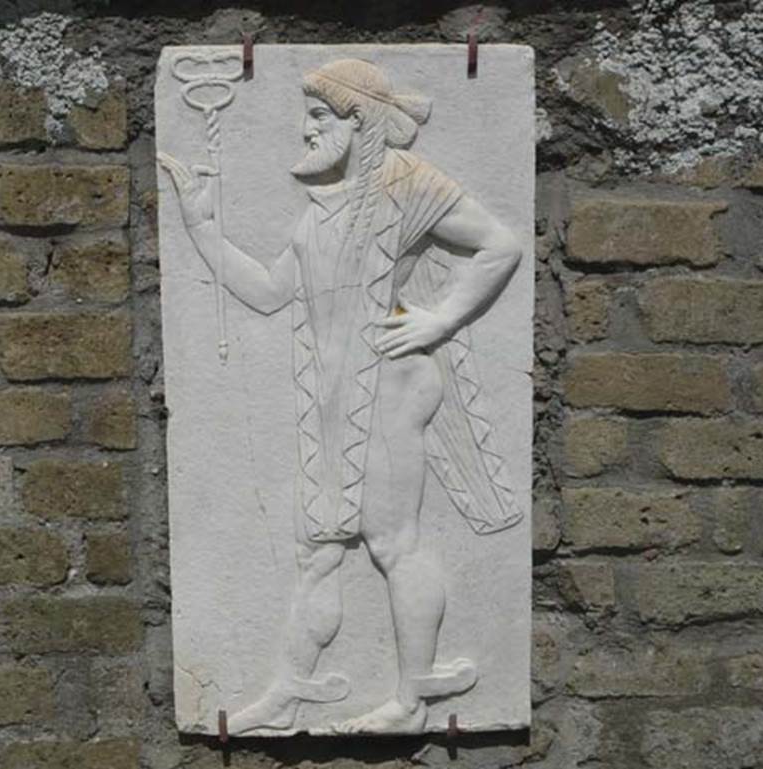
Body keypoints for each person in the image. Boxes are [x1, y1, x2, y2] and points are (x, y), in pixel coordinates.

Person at [160, 58, 522, 735]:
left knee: (393, 542)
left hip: (387, 388)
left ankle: (413, 698)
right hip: (333, 399)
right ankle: (291, 690)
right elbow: (269, 292)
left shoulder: (406, 182)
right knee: (320, 548)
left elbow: (500, 243)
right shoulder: (319, 214)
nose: (306, 129)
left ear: (359, 123)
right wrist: (202, 229)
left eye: (320, 117)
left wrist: (441, 318)